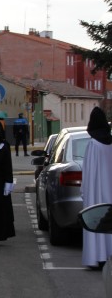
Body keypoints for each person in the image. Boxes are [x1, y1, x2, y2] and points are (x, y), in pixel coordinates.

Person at [81, 106, 112, 269]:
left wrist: (84, 191)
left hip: (95, 192)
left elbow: (88, 171)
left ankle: (96, 257)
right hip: (109, 192)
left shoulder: (93, 144)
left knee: (94, 221)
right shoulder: (110, 142)